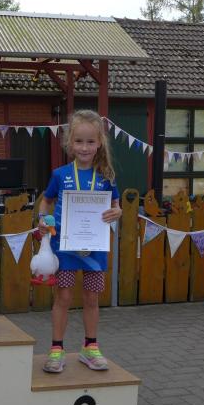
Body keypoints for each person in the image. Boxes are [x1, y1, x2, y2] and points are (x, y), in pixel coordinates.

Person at [36, 110, 122, 373]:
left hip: (95, 248)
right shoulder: (60, 174)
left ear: (99, 143)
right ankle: (56, 349)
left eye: (90, 142)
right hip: (65, 247)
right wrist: (42, 219)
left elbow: (116, 205)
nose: (84, 147)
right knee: (63, 297)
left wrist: (117, 212)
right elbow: (46, 201)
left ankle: (90, 347)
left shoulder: (107, 176)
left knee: (92, 298)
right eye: (79, 141)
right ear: (69, 143)